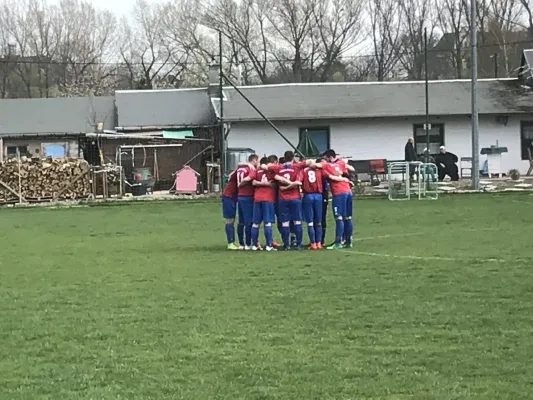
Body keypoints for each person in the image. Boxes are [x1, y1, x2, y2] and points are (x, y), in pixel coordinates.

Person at [268, 151, 305, 250]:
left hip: (283, 198)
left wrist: (284, 187)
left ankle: (286, 245)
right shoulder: (297, 167)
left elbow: (266, 166)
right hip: (295, 198)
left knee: (285, 222)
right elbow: (309, 162)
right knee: (297, 221)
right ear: (293, 158)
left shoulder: (278, 168)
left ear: (284, 158)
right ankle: (298, 244)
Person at [321, 149, 353, 250]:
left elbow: (317, 166)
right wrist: (347, 180)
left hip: (339, 193)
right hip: (348, 191)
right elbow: (347, 171)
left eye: (325, 159)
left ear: (329, 157)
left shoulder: (326, 166)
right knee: (348, 217)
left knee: (339, 217)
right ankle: (348, 241)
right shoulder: (341, 163)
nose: (324, 161)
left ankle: (338, 242)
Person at [250, 157, 277, 251]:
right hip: (268, 198)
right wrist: (267, 184)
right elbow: (275, 182)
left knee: (255, 223)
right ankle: (269, 245)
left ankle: (254, 245)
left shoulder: (257, 171)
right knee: (267, 222)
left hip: (257, 198)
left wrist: (260, 183)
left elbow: (253, 182)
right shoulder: (271, 171)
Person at [236, 154, 259, 249]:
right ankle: (248, 243)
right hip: (247, 196)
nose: (258, 163)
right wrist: (240, 184)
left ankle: (241, 243)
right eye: (257, 161)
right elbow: (248, 178)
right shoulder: (251, 169)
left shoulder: (240, 168)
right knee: (248, 221)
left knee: (240, 222)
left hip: (240, 196)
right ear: (254, 161)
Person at [300, 161, 324, 249]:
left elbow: (299, 180)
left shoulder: (303, 170)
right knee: (318, 221)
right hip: (318, 195)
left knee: (310, 222)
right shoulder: (319, 170)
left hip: (308, 195)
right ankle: (319, 243)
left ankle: (313, 243)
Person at [221, 168, 239, 250]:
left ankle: (232, 241)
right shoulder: (236, 173)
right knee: (229, 219)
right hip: (228, 197)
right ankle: (230, 243)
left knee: (232, 219)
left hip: (232, 198)